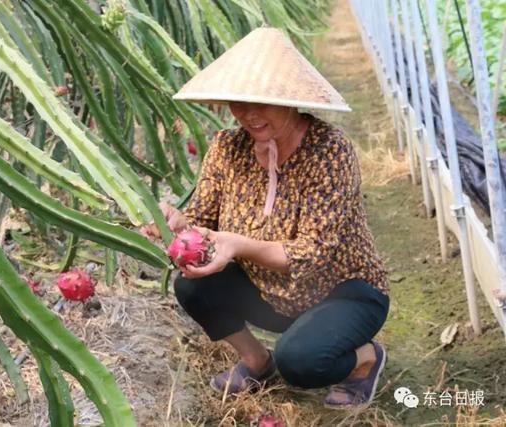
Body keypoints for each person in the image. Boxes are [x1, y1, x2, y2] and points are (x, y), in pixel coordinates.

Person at [141, 28, 390, 410]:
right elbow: (203, 218)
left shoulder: (329, 150)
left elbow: (311, 254)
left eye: (263, 102)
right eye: (239, 102)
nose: (249, 114)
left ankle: (366, 358)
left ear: (291, 101)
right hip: (272, 294)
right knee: (192, 287)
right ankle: (258, 361)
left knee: (302, 362)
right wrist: (177, 223)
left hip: (343, 293)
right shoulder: (227, 147)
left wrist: (238, 244)